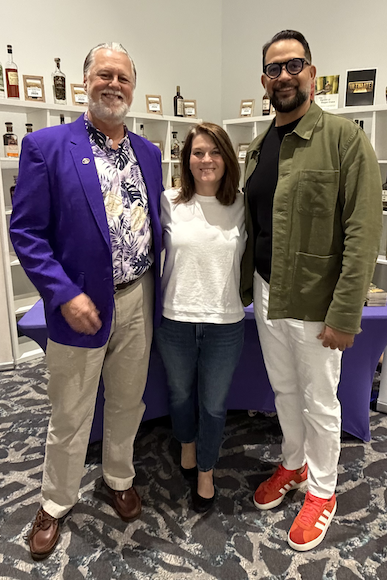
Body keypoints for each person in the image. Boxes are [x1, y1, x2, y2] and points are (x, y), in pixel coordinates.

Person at [9, 42, 163, 560]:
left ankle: (119, 476)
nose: (113, 84)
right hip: (79, 305)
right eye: (104, 75)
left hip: (138, 296)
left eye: (122, 76)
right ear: (85, 82)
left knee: (127, 401)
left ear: (132, 87)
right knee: (70, 412)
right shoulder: (46, 146)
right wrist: (63, 292)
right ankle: (54, 502)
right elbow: (27, 232)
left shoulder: (149, 153)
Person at [241, 30, 382, 551]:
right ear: (264, 81)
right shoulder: (258, 145)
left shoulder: (344, 138)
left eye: (294, 65)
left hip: (316, 299)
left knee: (321, 400)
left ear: (312, 74)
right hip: (267, 293)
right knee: (283, 390)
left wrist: (344, 312)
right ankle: (295, 465)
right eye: (274, 69)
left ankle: (323, 491)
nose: (284, 76)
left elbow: (364, 231)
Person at [154, 123, 245, 513]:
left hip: (225, 323)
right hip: (174, 319)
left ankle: (205, 470)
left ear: (227, 158)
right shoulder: (168, 200)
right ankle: (187, 445)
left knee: (213, 404)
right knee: (180, 395)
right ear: (186, 159)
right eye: (197, 152)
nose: (206, 160)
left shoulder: (242, 204)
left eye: (214, 152)